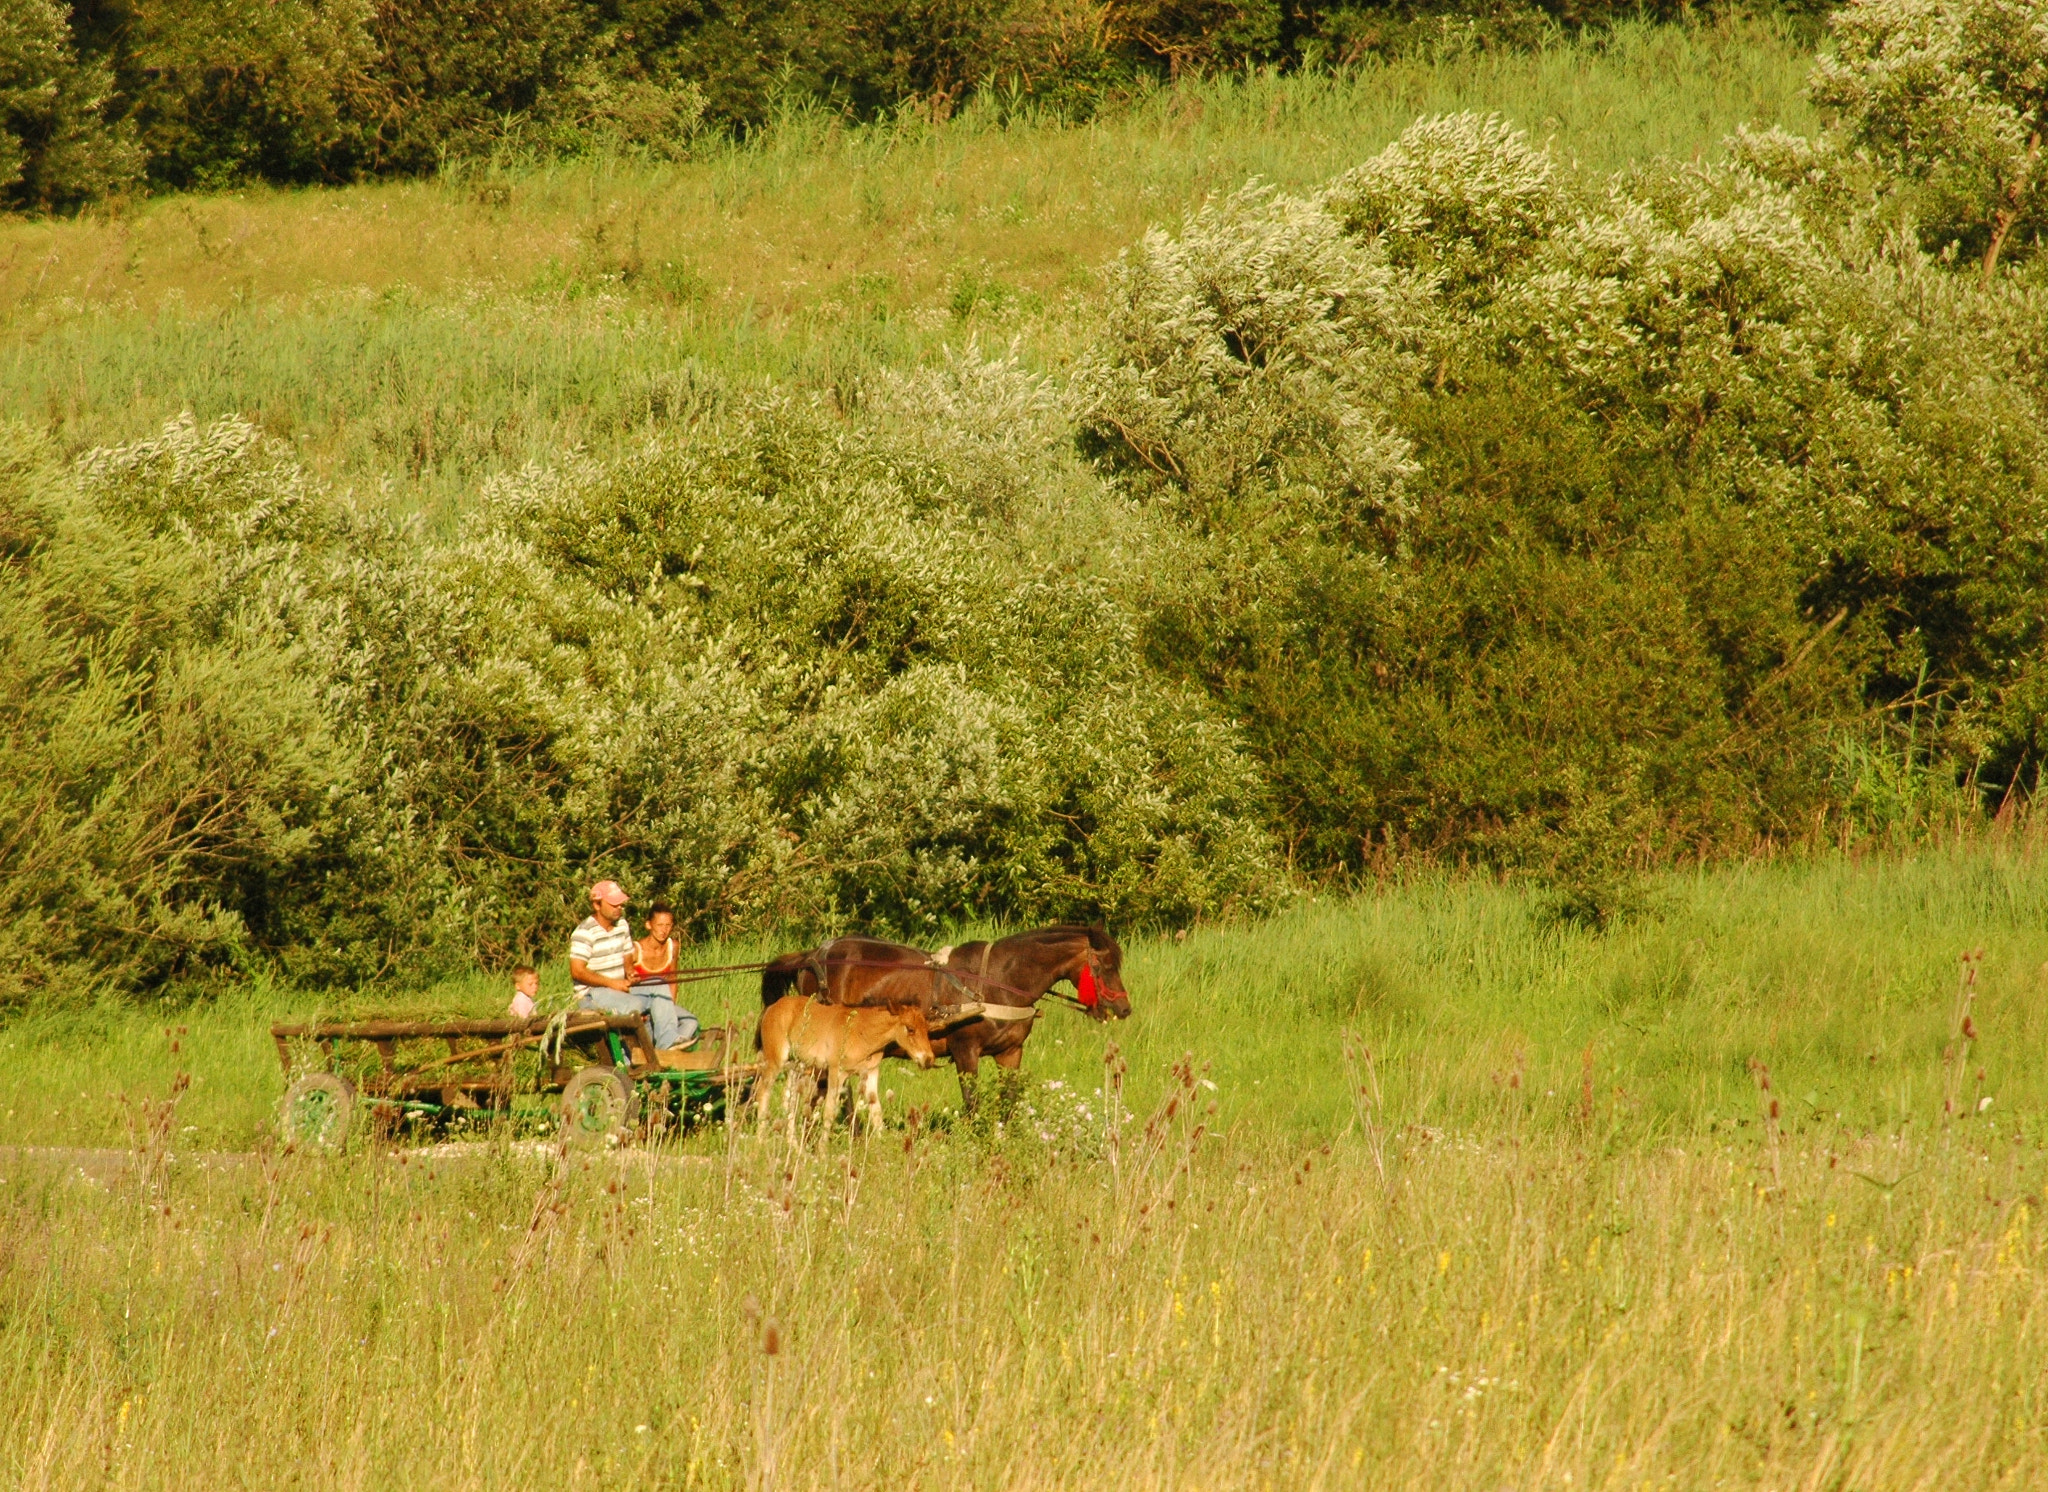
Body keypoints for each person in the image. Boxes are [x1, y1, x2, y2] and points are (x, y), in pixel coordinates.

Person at [569, 880, 693, 1052]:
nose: (619, 907)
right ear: (597, 905)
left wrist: (629, 971)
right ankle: (633, 1055)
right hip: (593, 994)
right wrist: (612, 983)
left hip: (619, 988)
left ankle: (667, 1042)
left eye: (620, 904)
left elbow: (627, 954)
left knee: (659, 985)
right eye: (613, 904)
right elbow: (577, 971)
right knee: (635, 1006)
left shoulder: (622, 925)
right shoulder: (584, 932)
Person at [629, 905, 700, 1047]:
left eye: (668, 925)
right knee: (656, 982)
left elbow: (672, 979)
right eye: (660, 925)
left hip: (662, 1003)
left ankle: (666, 1051)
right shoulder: (635, 950)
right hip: (642, 1005)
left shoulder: (672, 946)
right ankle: (665, 1045)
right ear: (649, 925)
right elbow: (626, 983)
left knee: (691, 1021)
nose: (664, 930)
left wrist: (668, 1008)